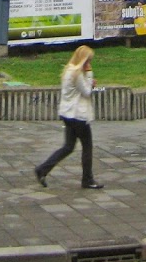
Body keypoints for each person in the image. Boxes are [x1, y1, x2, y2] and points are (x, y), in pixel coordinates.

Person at [34, 45, 103, 189]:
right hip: (78, 115)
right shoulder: (77, 73)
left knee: (68, 146)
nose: (89, 64)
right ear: (83, 60)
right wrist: (90, 75)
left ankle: (43, 169)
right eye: (88, 61)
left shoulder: (68, 70)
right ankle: (88, 179)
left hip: (67, 113)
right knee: (87, 147)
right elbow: (86, 92)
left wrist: (88, 82)